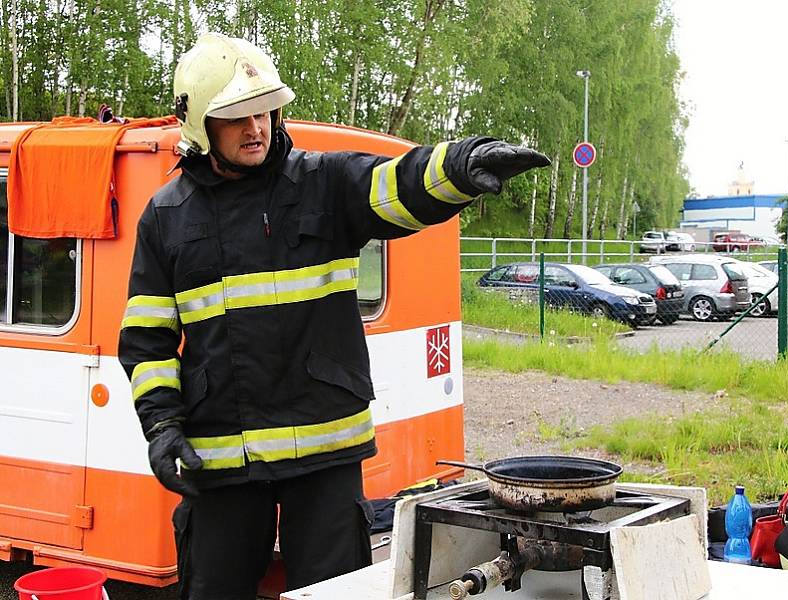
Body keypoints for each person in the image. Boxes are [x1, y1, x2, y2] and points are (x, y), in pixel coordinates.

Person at [118, 32, 550, 600]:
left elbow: (398, 184)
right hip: (220, 458)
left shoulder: (321, 181)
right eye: (237, 117)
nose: (257, 128)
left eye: (264, 111)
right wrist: (163, 427)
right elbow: (147, 340)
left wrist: (462, 166)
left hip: (324, 455)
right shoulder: (166, 216)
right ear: (198, 122)